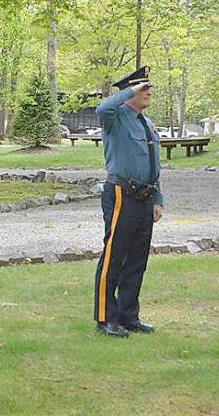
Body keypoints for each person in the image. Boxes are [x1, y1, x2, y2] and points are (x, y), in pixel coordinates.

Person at [93, 66, 164, 338]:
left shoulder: (145, 123)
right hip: (122, 193)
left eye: (148, 87)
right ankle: (105, 317)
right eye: (142, 88)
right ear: (128, 91)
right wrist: (127, 92)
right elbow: (102, 109)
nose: (148, 92)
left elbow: (153, 164)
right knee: (114, 258)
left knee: (137, 260)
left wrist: (158, 197)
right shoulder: (117, 117)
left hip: (145, 197)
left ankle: (128, 316)